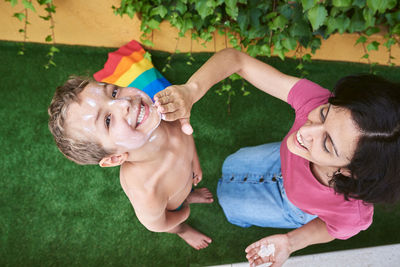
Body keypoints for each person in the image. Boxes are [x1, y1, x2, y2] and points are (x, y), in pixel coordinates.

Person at [153, 48, 400, 266]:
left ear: (351, 172)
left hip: (287, 206)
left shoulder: (353, 211)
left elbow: (333, 229)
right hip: (274, 159)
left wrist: (291, 242)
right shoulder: (316, 100)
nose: (306, 130)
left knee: (233, 207)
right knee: (232, 164)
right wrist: (191, 90)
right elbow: (236, 60)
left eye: (327, 144)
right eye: (324, 114)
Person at [47, 77, 214, 250]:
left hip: (184, 181)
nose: (123, 103)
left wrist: (194, 162)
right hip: (173, 208)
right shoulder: (147, 191)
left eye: (113, 92)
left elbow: (185, 131)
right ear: (114, 158)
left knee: (185, 190)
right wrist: (183, 214)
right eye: (108, 121)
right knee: (175, 221)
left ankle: (189, 194)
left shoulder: (166, 113)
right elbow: (157, 224)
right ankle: (183, 230)